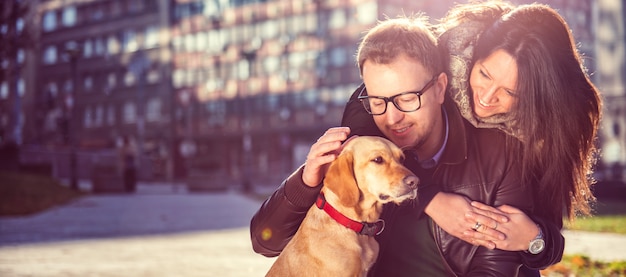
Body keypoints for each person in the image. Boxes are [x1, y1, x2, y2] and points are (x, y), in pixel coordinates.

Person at [251, 14, 535, 276]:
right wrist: (305, 182)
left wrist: (540, 242)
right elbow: (265, 243)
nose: (392, 117)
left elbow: (498, 267)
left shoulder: (500, 156)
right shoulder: (362, 146)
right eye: (378, 102)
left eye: (408, 98)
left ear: (439, 88)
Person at [421, 0, 601, 269]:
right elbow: (371, 99)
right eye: (484, 74)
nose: (487, 97)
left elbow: (551, 237)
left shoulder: (542, 132)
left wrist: (533, 238)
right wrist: (429, 199)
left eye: (510, 92)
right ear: (474, 56)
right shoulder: (441, 64)